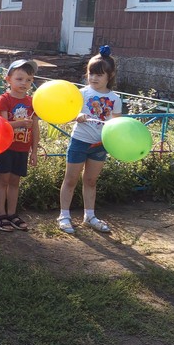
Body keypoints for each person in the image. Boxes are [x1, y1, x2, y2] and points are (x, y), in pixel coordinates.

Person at [57, 46, 122, 234]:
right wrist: (77, 116)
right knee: (70, 180)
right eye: (91, 73)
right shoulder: (81, 93)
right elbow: (67, 114)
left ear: (110, 75)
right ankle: (64, 216)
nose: (94, 78)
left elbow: (117, 124)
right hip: (79, 141)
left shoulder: (115, 99)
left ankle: (90, 216)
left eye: (99, 75)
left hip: (100, 145)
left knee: (91, 181)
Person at [0, 59, 39, 232]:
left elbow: (35, 127)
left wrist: (34, 151)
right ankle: (0, 215)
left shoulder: (33, 102)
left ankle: (12, 214)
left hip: (22, 148)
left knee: (14, 181)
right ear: (8, 79)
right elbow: (2, 125)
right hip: (5, 147)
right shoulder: (4, 99)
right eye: (19, 79)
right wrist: (20, 123)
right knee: (3, 180)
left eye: (28, 80)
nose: (24, 83)